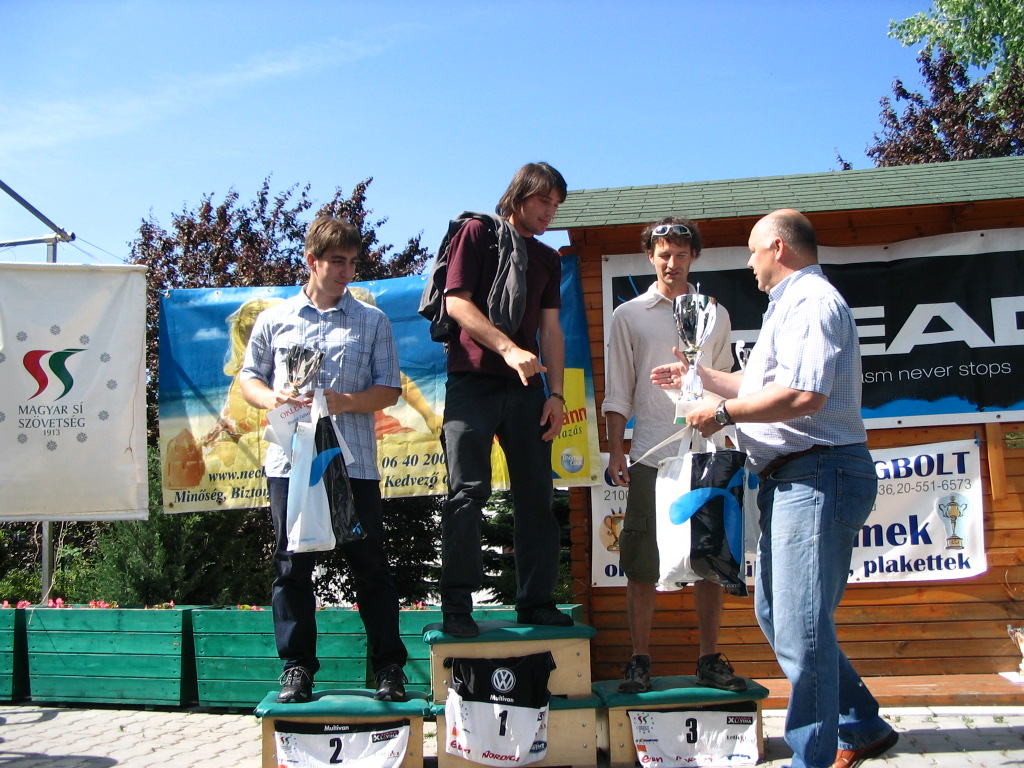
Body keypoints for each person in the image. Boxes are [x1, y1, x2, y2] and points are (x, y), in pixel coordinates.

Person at [652, 210, 896, 768]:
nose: (748, 261)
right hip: (796, 477)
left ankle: (811, 757)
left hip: (819, 472)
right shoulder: (789, 305)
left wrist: (721, 412)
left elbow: (803, 395)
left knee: (800, 627)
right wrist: (696, 380)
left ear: (779, 248)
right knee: (776, 615)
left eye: (753, 250)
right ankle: (863, 726)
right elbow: (759, 384)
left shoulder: (812, 303)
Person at [239, 216, 409, 704]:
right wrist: (273, 398)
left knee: (370, 564)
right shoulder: (275, 319)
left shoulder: (371, 320)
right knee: (292, 566)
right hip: (291, 464)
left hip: (351, 461)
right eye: (337, 261)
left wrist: (345, 401)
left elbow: (390, 389)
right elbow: (250, 378)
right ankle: (297, 668)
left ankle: (388, 669)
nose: (346, 271)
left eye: (353, 262)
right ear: (312, 261)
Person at [602, 217, 747, 695]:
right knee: (643, 561)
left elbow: (728, 380)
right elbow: (619, 388)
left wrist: (721, 425)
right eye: (663, 253)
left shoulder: (715, 313)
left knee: (708, 557)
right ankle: (639, 660)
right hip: (651, 453)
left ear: (693, 258)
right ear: (650, 257)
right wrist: (617, 448)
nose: (672, 262)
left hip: (706, 448)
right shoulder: (629, 314)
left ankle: (708, 659)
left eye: (681, 254)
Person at [439, 162, 572, 638]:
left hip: (527, 390)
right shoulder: (477, 232)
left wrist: (556, 393)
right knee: (467, 492)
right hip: (472, 381)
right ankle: (456, 606)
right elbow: (457, 303)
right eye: (543, 202)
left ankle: (535, 602)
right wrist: (508, 347)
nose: (549, 213)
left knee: (536, 496)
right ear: (519, 196)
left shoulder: (548, 259)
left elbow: (551, 332)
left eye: (556, 206)